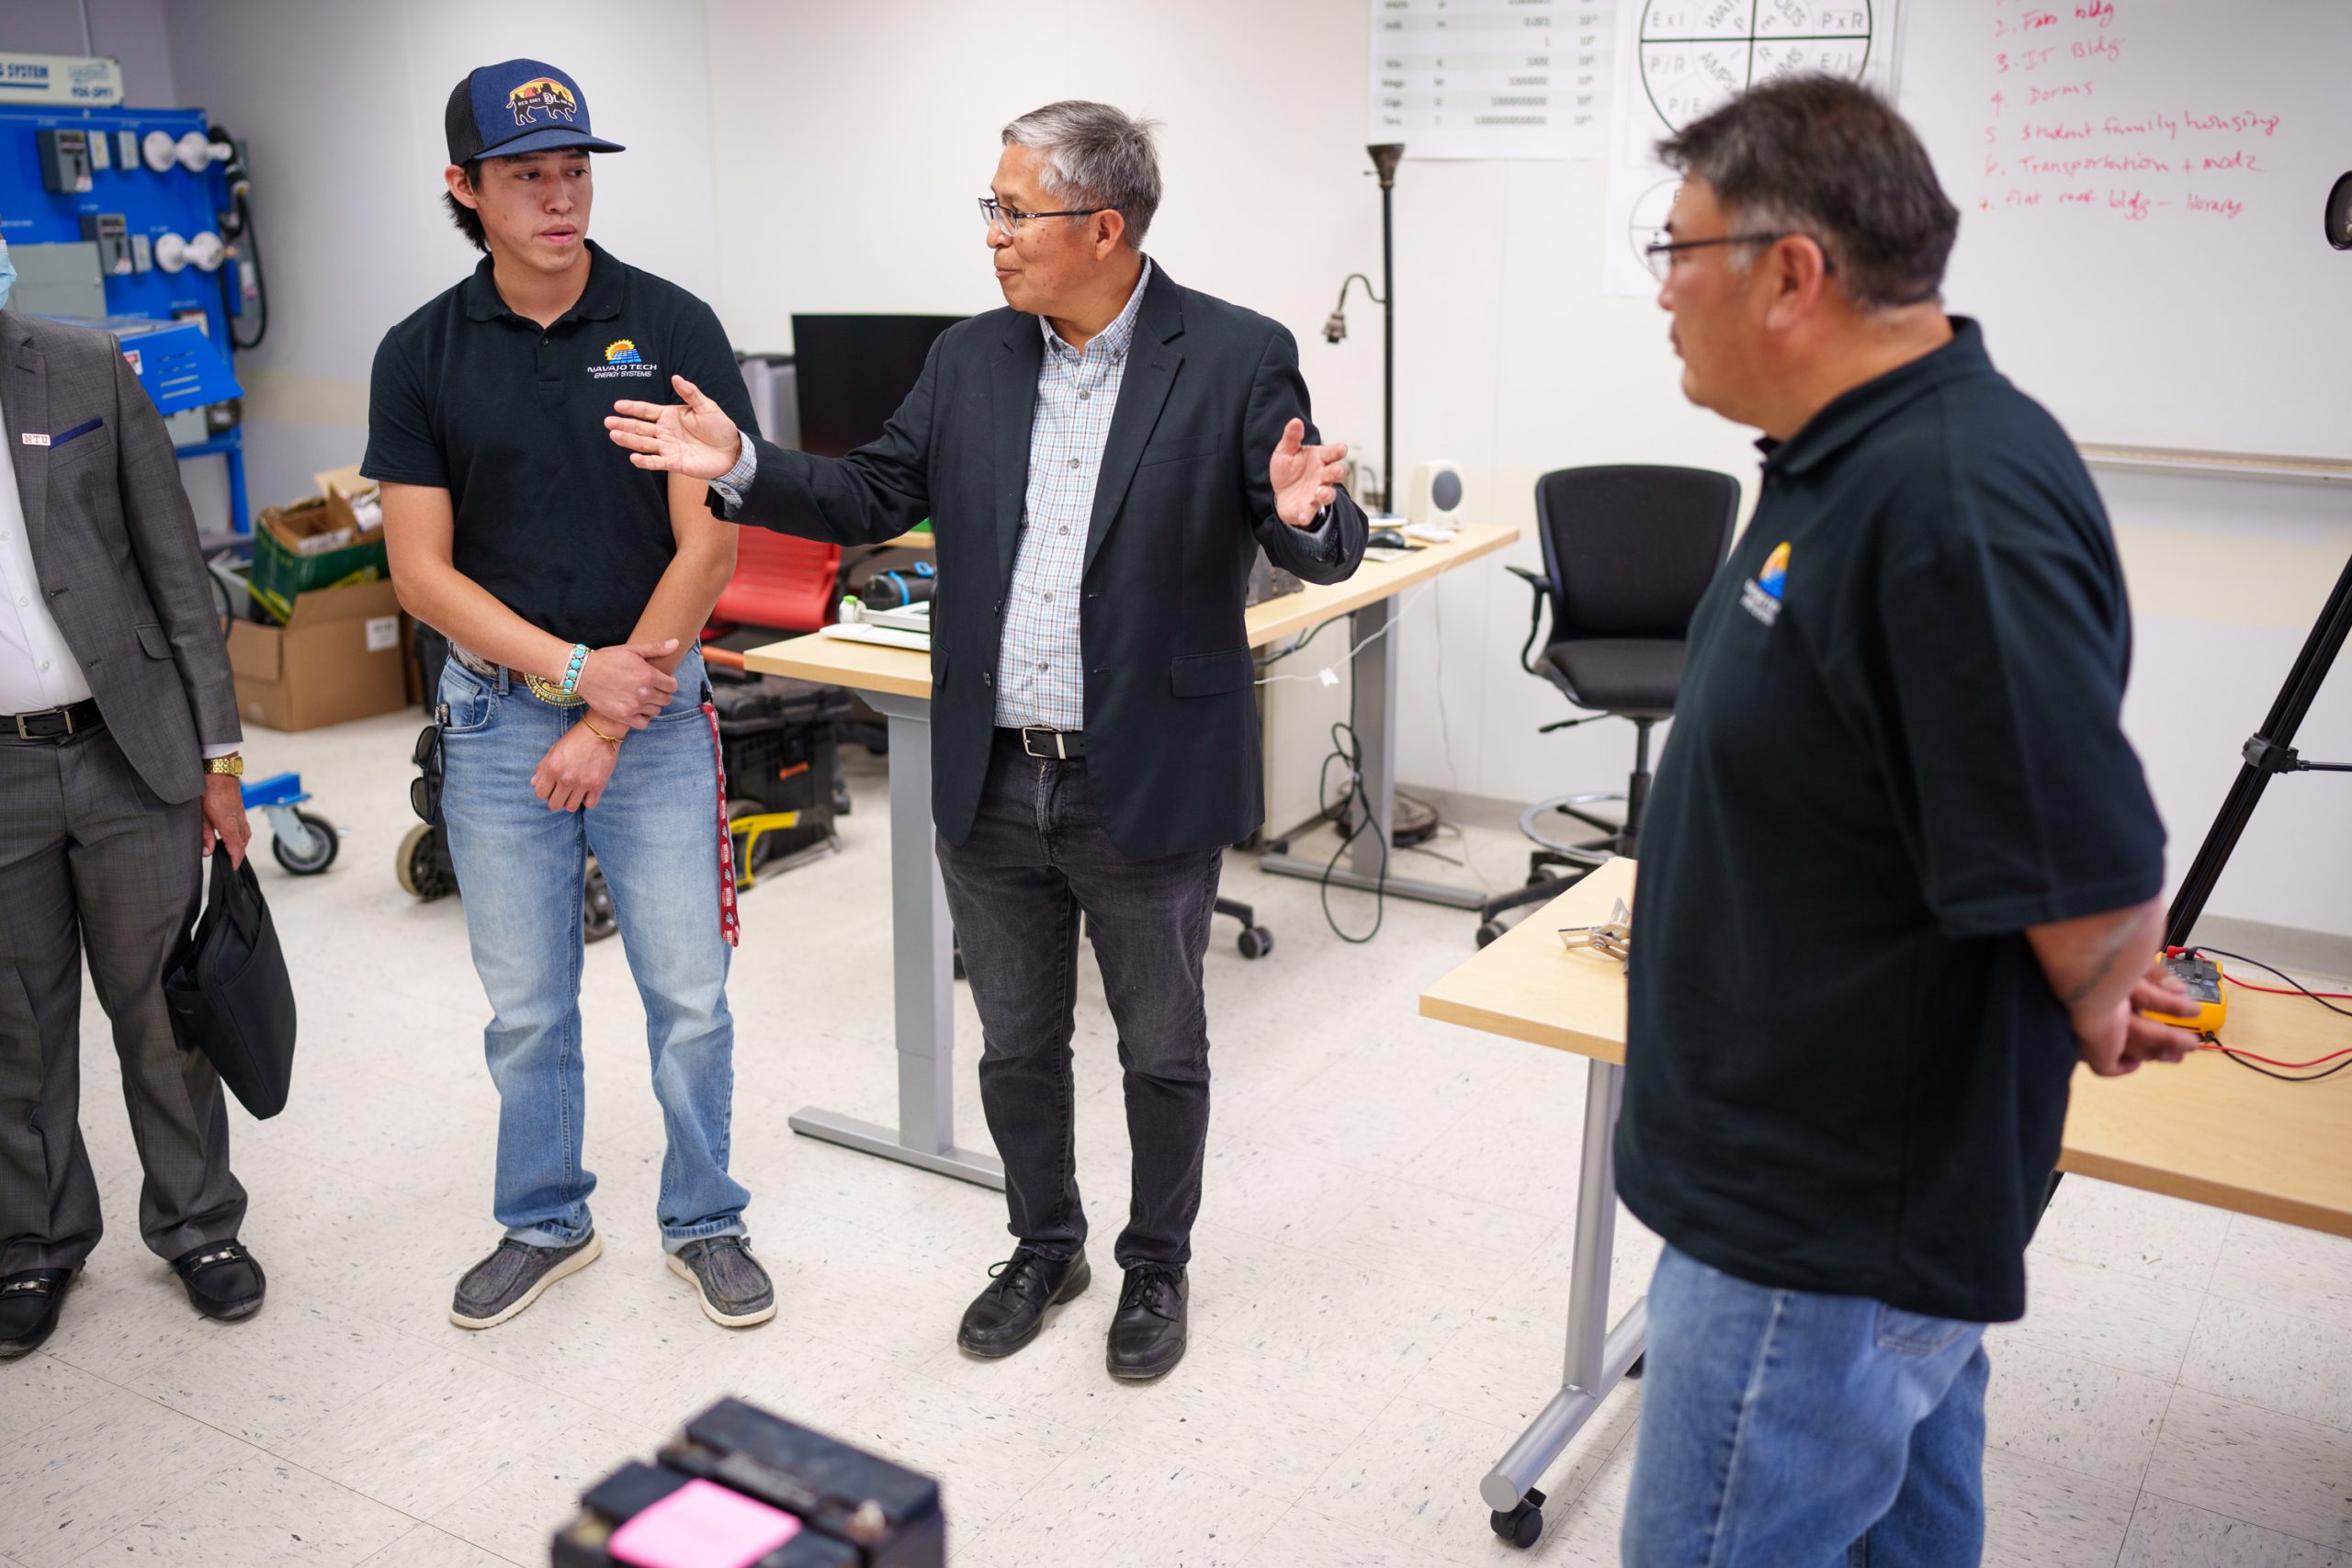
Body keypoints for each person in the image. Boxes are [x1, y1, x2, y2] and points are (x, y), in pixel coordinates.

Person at [607, 100, 1366, 1381]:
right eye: (993, 209)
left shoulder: (1236, 353)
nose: (996, 237)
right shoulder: (971, 359)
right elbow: (869, 493)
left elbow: (1322, 529)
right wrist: (742, 460)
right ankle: (1043, 1240)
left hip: (1146, 766)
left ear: (1106, 226)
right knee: (1017, 1038)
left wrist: (1297, 518)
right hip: (994, 766)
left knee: (1160, 1042)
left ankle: (1155, 1263)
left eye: (1018, 212)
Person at [1613, 75, 2194, 1565]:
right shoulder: (1853, 452)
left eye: (1677, 252)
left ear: (1791, 271)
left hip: (1821, 1229)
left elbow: (2090, 849)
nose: (1662, 293)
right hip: (1840, 1204)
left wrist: (2100, 976)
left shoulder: (1947, 499)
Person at [364, 59, 775, 1333]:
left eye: (575, 171)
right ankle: (545, 1216)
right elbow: (422, 575)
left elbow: (708, 544)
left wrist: (607, 706)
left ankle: (706, 1217)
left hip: (648, 709)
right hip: (494, 722)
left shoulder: (672, 326)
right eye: (527, 175)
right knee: (529, 1001)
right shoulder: (420, 354)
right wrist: (567, 677)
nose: (559, 197)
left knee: (688, 993)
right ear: (464, 187)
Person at [0, 233, 266, 1357]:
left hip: (128, 746)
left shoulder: (81, 365)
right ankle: (34, 1244)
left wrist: (218, 757)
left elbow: (174, 568)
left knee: (161, 1008)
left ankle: (199, 1223)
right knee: (15, 1027)